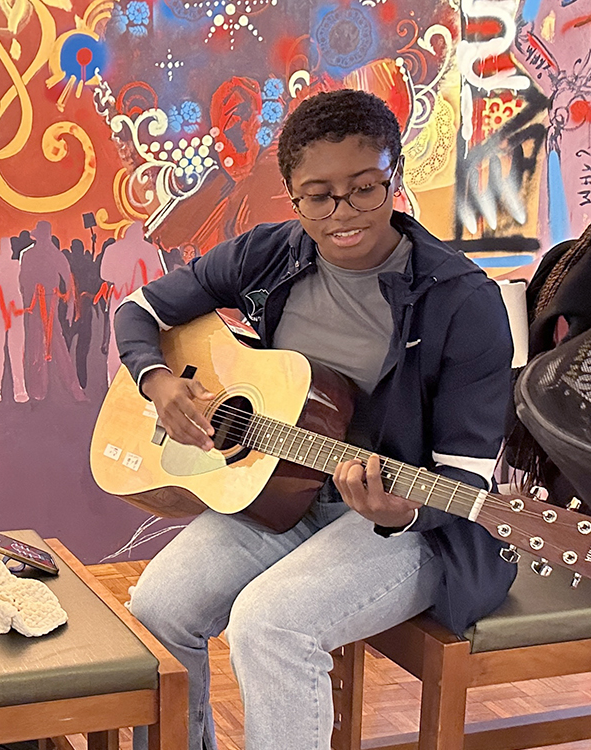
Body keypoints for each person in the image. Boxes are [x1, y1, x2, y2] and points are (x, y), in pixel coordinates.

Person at [112, 89, 515, 750]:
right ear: (292, 194)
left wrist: (400, 512)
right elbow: (139, 311)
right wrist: (157, 381)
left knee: (270, 626)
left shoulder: (462, 302)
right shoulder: (271, 253)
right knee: (159, 608)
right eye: (319, 196)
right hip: (278, 492)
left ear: (397, 174)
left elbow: (466, 480)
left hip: (405, 528)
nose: (345, 213)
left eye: (365, 188)